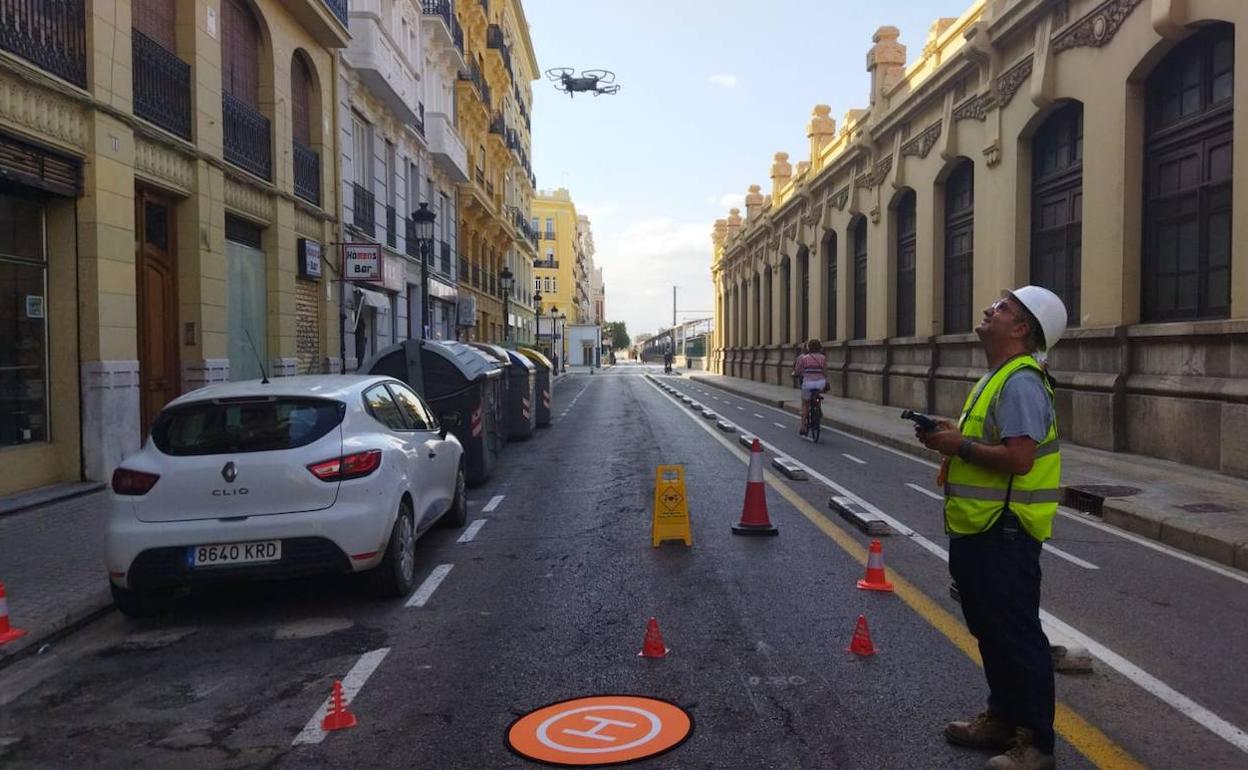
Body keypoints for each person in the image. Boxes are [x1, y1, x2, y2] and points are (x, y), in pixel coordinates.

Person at [915, 286, 1067, 770]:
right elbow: (985, 443)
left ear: (1022, 329)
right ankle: (1002, 719)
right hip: (981, 529)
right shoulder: (997, 379)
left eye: (1002, 309)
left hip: (1005, 531)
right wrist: (950, 436)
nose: (989, 310)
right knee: (992, 632)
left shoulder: (1020, 381)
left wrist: (957, 448)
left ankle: (1036, 744)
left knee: (1017, 636)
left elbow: (1020, 459)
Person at [791, 338, 828, 436]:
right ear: (820, 348)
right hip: (820, 383)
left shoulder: (804, 358)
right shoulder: (823, 358)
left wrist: (794, 374)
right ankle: (818, 409)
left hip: (808, 383)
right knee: (816, 394)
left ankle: (803, 425)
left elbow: (798, 370)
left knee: (805, 404)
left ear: (808, 347)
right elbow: (825, 372)